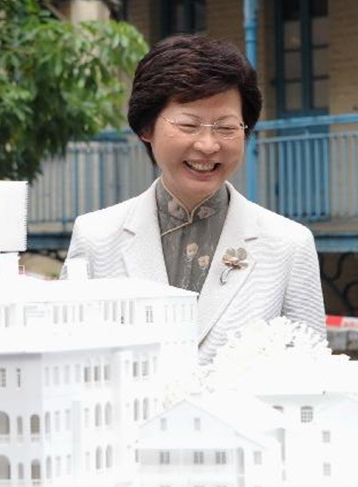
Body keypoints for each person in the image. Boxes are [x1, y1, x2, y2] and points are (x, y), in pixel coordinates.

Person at [61, 34, 326, 365]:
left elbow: (313, 372)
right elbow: (66, 358)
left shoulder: (289, 244)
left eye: (227, 127)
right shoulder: (96, 236)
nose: (208, 145)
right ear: (147, 127)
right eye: (188, 125)